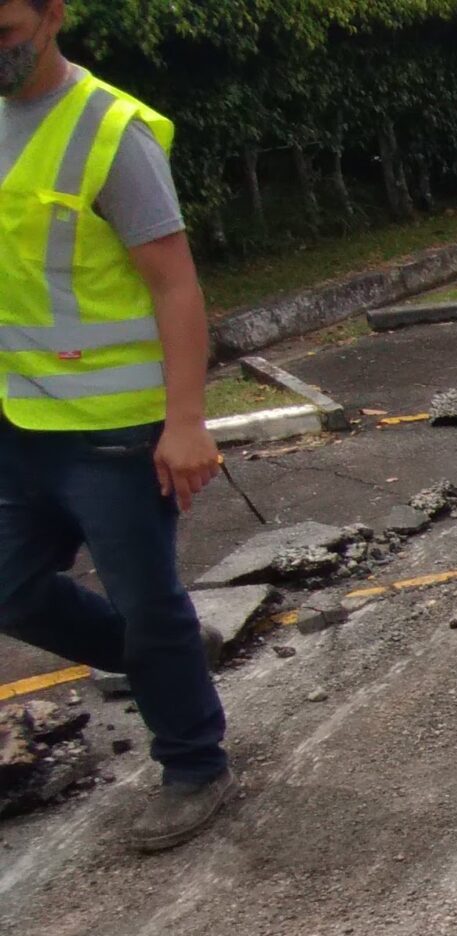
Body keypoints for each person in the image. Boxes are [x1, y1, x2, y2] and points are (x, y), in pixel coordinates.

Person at [0, 0, 232, 851]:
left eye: (3, 31)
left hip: (114, 432)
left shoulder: (110, 132)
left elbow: (175, 284)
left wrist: (187, 422)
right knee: (10, 588)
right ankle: (163, 658)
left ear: (51, 16)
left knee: (146, 598)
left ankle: (195, 765)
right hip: (18, 422)